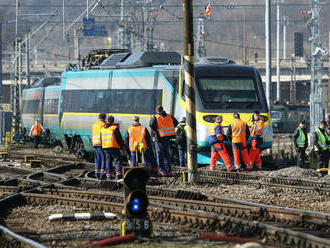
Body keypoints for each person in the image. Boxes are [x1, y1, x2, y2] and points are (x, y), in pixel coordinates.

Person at [149, 105, 178, 176]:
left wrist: (156, 130)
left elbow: (151, 124)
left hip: (159, 139)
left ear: (157, 111)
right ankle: (169, 171)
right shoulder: (169, 116)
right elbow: (176, 122)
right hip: (167, 138)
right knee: (167, 156)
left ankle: (162, 171)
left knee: (160, 156)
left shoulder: (156, 117)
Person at [100, 115, 125, 180]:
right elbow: (119, 138)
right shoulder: (114, 128)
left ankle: (108, 175)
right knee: (117, 160)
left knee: (108, 161)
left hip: (105, 147)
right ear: (113, 121)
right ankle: (118, 175)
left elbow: (101, 139)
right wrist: (122, 146)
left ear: (107, 120)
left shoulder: (102, 128)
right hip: (113, 146)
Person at [91, 113, 106, 179]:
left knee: (97, 159)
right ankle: (102, 174)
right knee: (103, 159)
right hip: (101, 144)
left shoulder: (94, 125)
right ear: (104, 118)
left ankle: (97, 173)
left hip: (95, 143)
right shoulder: (103, 125)